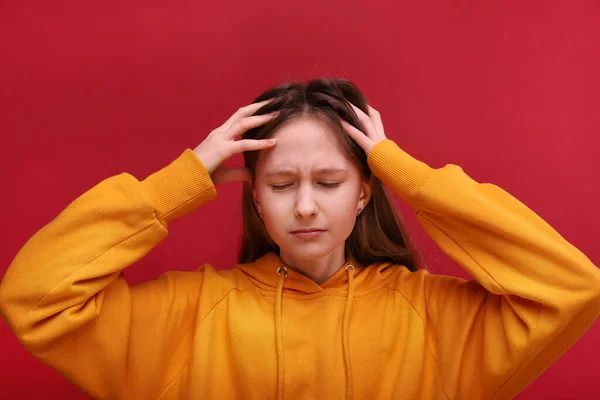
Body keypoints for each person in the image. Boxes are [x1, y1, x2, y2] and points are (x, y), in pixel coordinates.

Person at [1, 78, 599, 400]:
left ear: (365, 192)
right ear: (256, 198)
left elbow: (572, 287)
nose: (306, 205)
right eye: (282, 183)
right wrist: (177, 182)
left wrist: (411, 177)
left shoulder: (434, 320)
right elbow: (33, 297)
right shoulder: (187, 317)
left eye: (331, 181)